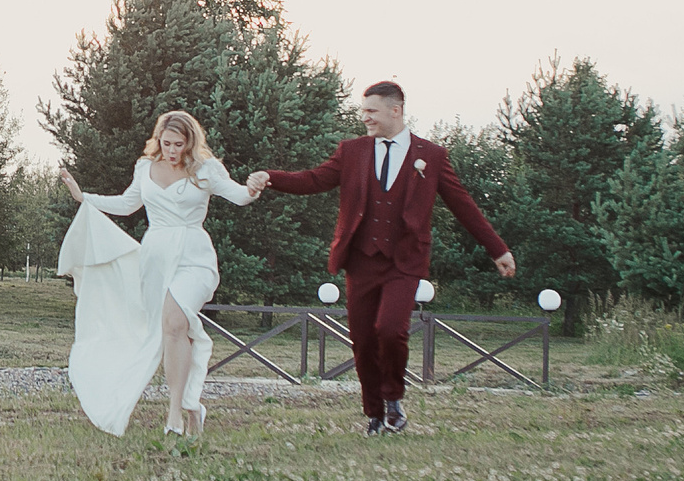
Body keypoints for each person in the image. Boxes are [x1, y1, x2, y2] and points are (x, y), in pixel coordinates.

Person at [246, 80, 514, 435]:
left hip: (404, 261)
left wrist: (498, 249)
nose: (365, 118)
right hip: (361, 260)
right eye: (364, 111)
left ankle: (393, 400)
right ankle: (374, 414)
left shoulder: (430, 156)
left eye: (371, 111)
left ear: (395, 110)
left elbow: (463, 205)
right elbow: (313, 179)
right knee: (363, 339)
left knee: (390, 330)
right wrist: (271, 178)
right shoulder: (352, 151)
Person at [55, 110, 260, 437]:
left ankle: (174, 415)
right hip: (155, 257)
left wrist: (252, 188)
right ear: (158, 140)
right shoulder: (145, 168)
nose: (172, 150)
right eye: (167, 143)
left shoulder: (206, 170)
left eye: (179, 144)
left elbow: (238, 196)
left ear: (190, 142)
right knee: (170, 330)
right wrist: (84, 198)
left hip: (194, 257)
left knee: (176, 320)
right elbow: (127, 203)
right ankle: (193, 405)